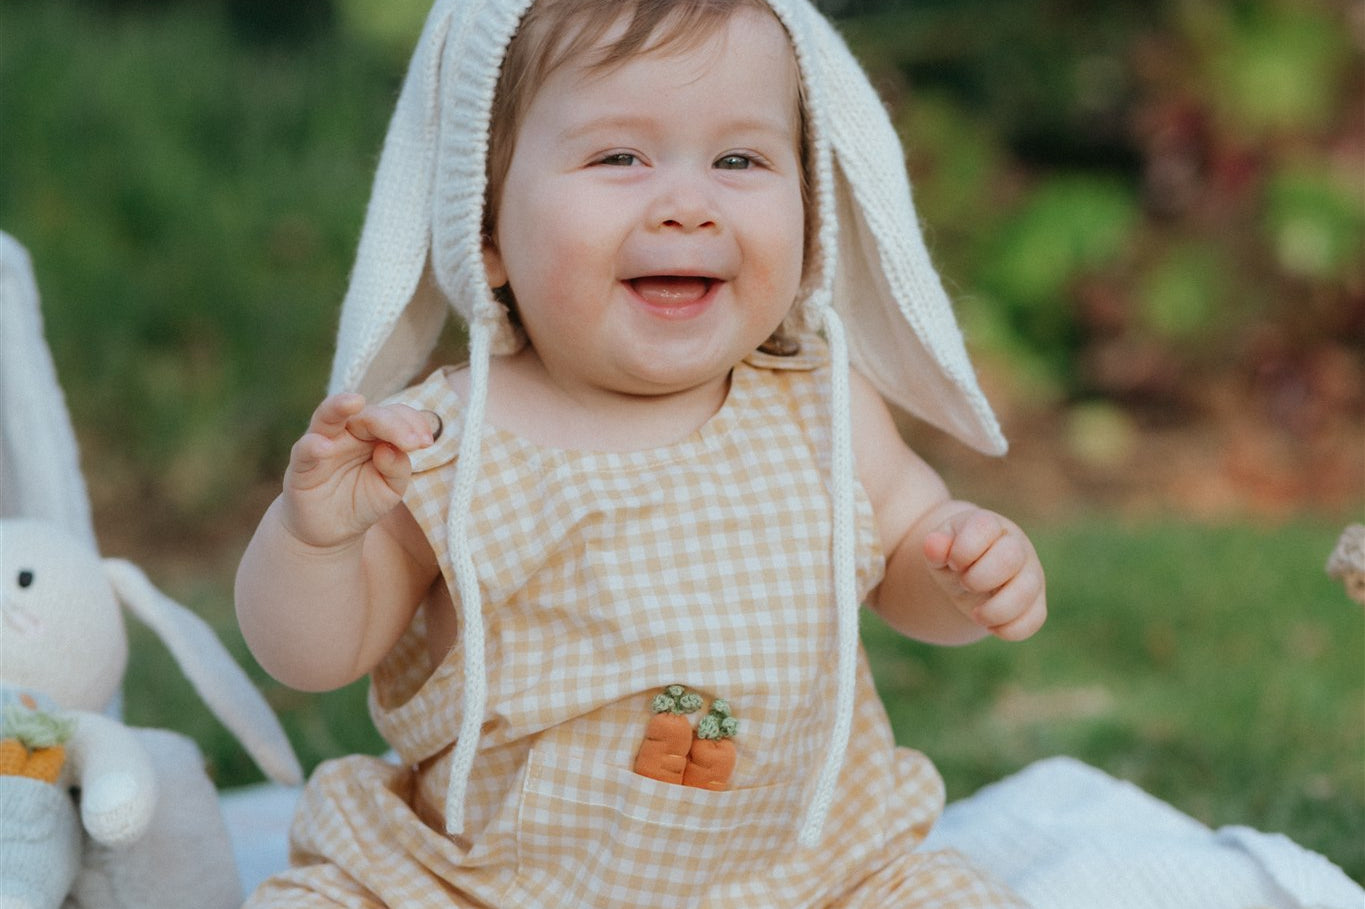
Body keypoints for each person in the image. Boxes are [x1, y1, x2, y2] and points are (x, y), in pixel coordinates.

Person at [235, 0, 1047, 905]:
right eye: (619, 157)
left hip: (806, 876)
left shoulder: (823, 408)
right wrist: (313, 540)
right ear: (485, 228)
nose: (688, 206)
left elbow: (907, 561)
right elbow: (314, 655)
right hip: (485, 885)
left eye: (738, 160)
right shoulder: (440, 443)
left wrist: (961, 571)